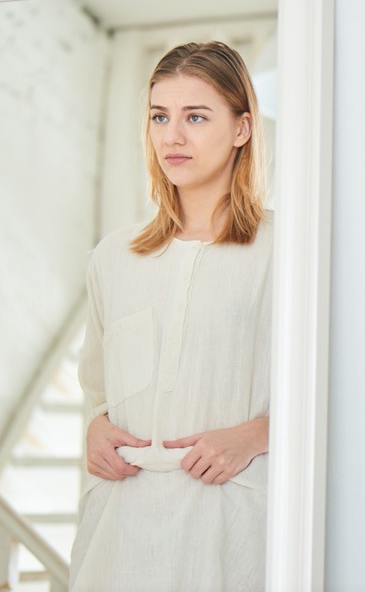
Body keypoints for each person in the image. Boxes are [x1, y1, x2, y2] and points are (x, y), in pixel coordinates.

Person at [70, 41, 272, 591]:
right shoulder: (115, 256)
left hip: (229, 529)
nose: (172, 136)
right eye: (160, 116)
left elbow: (329, 398)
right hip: (121, 531)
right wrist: (95, 428)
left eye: (196, 117)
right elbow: (98, 390)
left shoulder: (284, 251)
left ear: (242, 129)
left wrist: (256, 434)